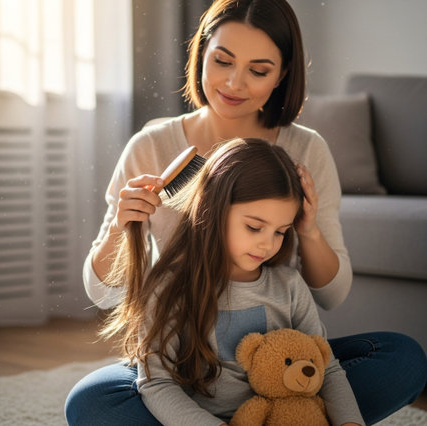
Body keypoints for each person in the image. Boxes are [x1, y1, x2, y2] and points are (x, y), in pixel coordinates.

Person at [65, 0, 427, 426]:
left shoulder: (305, 149)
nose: (234, 83)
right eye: (222, 61)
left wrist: (308, 229)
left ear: (282, 75)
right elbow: (102, 293)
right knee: (92, 400)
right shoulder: (153, 145)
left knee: (401, 358)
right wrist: (122, 227)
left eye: (259, 70)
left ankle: (281, 411)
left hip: (280, 367)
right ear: (201, 53)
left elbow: (331, 295)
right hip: (190, 368)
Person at [103, 138, 365, 425]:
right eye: (254, 227)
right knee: (94, 401)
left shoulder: (289, 286)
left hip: (282, 414)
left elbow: (325, 369)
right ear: (212, 209)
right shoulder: (169, 288)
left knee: (399, 357)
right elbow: (157, 384)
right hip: (201, 418)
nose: (267, 245)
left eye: (280, 232)